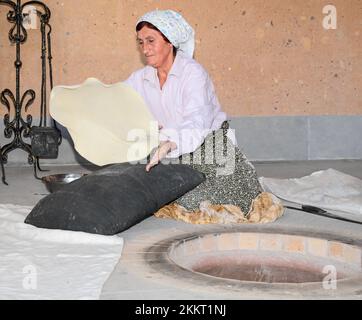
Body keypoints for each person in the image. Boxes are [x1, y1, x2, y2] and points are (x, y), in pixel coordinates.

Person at [125, 9, 263, 215]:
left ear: (169, 41)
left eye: (151, 41)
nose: (145, 49)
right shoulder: (140, 79)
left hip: (207, 144)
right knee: (142, 189)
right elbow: (118, 100)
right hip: (166, 148)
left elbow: (197, 119)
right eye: (141, 42)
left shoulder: (192, 73)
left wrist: (172, 143)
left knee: (197, 200)